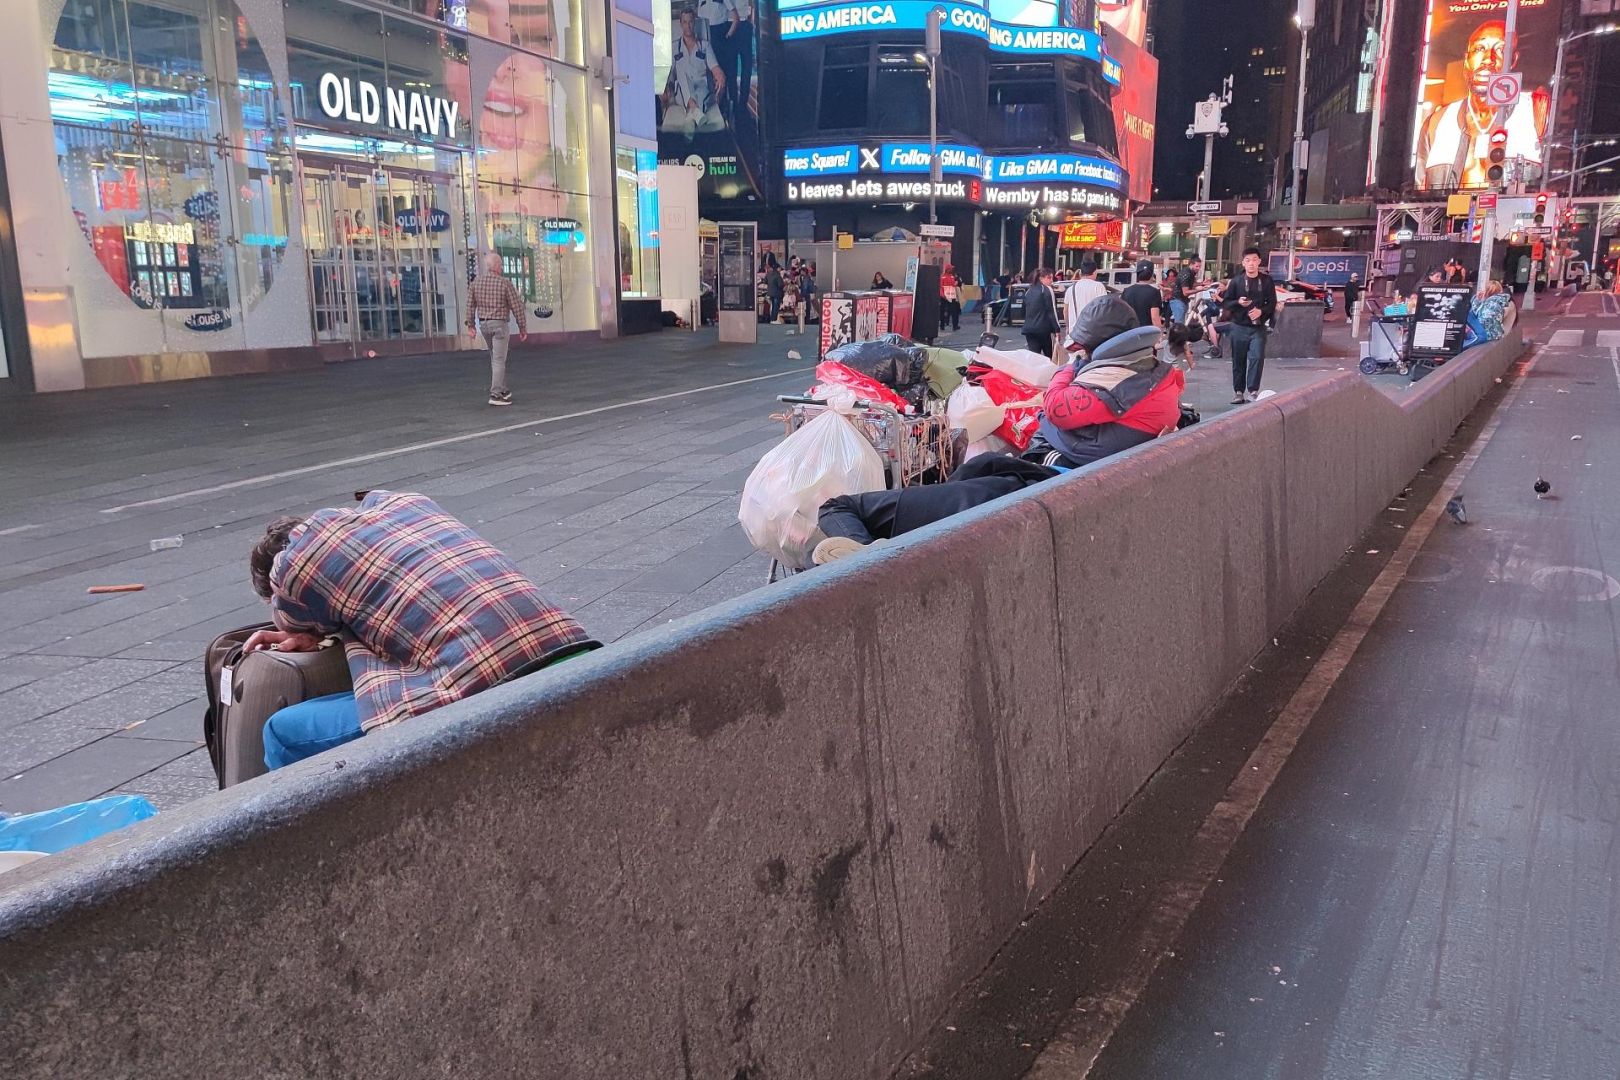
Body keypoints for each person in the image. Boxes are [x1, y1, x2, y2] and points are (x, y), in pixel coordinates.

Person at [245, 491, 600, 769]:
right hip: (579, 658)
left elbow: (291, 624)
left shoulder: (293, 566)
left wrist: (304, 632)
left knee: (283, 733)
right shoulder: (407, 506)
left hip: (490, 692)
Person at [1024, 295, 1186, 469]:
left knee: (1043, 431)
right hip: (1137, 448)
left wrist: (1067, 369)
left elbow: (1054, 409)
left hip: (1105, 461)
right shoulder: (1151, 368)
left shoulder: (1115, 381)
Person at [811, 456, 1062, 563]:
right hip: (1002, 510)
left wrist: (947, 488)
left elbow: (985, 462)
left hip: (976, 498)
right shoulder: (1088, 469)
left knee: (836, 506)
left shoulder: (1053, 461)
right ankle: (867, 552)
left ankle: (866, 555)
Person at [1415, 19, 1547, 190]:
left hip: (1510, 215)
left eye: (1500, 49)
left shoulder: (1535, 109)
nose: (1488, 59)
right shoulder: (1436, 122)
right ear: (1466, 59)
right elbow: (1420, 191)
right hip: (1448, 215)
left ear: (1513, 59)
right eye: (1479, 49)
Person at [465, 251, 527, 407]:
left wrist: (471, 325)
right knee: (499, 359)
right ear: (498, 266)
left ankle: (503, 389)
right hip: (499, 324)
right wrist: (522, 327)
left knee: (495, 357)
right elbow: (517, 306)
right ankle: (496, 393)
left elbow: (470, 305)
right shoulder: (504, 283)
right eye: (501, 265)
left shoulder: (476, 283)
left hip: (484, 324)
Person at [1220, 248, 1278, 404]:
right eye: (1248, 260)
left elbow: (1272, 303)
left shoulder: (1267, 281)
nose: (1251, 263)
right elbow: (1226, 302)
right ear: (1243, 262)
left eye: (1254, 260)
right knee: (1238, 359)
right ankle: (1238, 392)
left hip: (1258, 328)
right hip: (1239, 326)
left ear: (1259, 261)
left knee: (1257, 357)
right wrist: (1238, 302)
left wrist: (1261, 311)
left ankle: (1253, 391)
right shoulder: (1236, 281)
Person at [660, 9, 726, 136]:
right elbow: (667, 75)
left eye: (690, 21)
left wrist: (720, 76)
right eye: (685, 22)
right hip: (681, 91)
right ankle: (695, 111)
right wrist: (663, 86)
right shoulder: (675, 48)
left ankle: (691, 116)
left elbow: (716, 68)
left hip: (702, 89)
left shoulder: (705, 46)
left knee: (697, 89)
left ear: (694, 22)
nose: (688, 25)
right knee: (681, 70)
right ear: (681, 24)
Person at [1063, 257, 1109, 350]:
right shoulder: (1099, 287)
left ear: (1081, 272)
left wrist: (1068, 327)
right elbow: (1104, 311)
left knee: (1075, 362)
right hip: (1093, 335)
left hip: (1074, 336)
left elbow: (1065, 311)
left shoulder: (1071, 289)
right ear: (1095, 271)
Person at [1021, 267, 1061, 357]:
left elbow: (1024, 309)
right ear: (1041, 278)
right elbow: (1052, 311)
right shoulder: (1046, 290)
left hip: (1029, 329)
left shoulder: (1029, 290)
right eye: (1049, 278)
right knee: (1049, 356)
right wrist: (1057, 329)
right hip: (1043, 328)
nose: (1051, 281)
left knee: (1034, 357)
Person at [1120, 263, 1164, 331]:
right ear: (1151, 275)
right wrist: (1159, 335)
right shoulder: (1154, 292)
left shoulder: (1126, 291)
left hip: (1129, 332)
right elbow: (1154, 317)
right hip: (1146, 333)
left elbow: (1122, 313)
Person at [940, 264, 962, 332]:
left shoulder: (951, 277)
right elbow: (941, 287)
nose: (952, 270)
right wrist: (943, 295)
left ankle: (949, 326)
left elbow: (953, 286)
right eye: (951, 269)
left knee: (951, 312)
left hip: (950, 296)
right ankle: (945, 325)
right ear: (948, 269)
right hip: (946, 296)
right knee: (947, 312)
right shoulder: (944, 277)